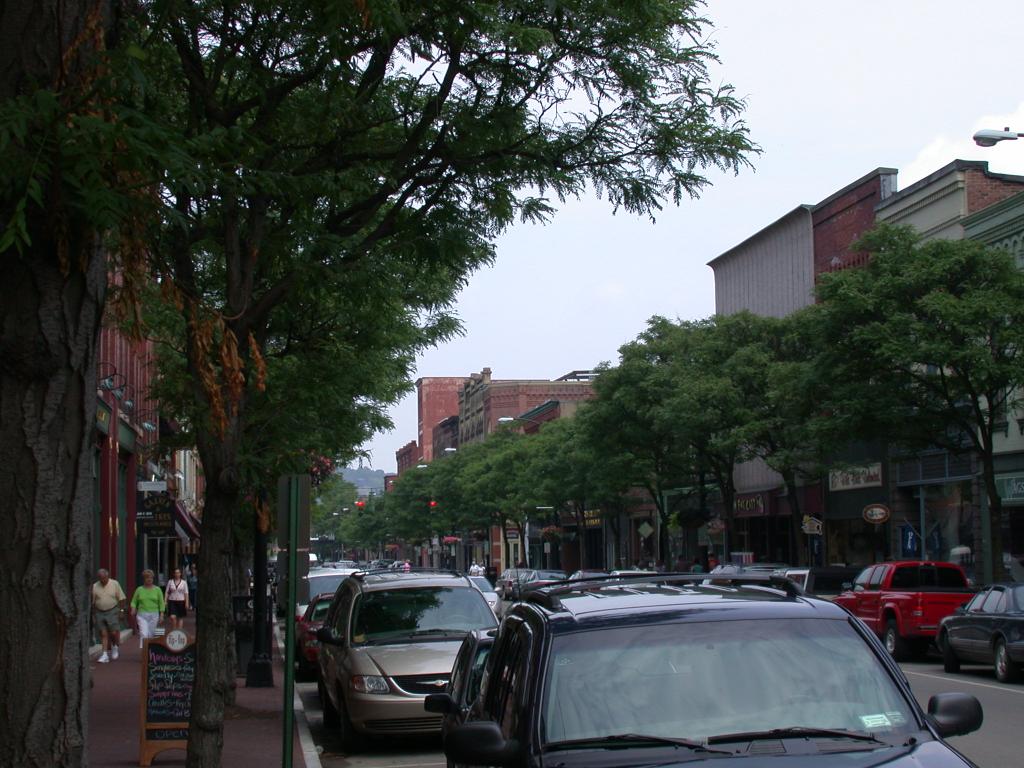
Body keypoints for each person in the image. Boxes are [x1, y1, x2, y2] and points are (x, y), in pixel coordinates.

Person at [91, 568, 126, 663]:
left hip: (112, 610)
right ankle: (104, 654)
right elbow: (93, 603)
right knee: (103, 634)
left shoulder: (115, 584)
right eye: (100, 578)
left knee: (114, 633)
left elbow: (122, 599)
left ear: (108, 576)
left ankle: (115, 646)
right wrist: (94, 615)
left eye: (104, 578)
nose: (102, 580)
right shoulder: (94, 586)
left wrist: (122, 611)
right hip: (99, 612)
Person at [130, 569, 165, 647]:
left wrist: (162, 615)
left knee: (151, 634)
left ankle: (150, 652)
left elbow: (161, 603)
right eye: (147, 578)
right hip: (142, 615)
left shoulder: (157, 590)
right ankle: (144, 653)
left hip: (154, 615)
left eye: (151, 578)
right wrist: (133, 609)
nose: (149, 579)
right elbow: (134, 601)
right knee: (144, 634)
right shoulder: (139, 589)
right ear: (144, 579)